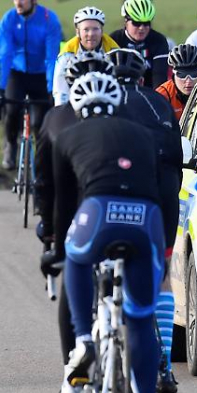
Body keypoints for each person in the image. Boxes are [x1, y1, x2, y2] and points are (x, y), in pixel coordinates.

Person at [56, 72, 169, 393]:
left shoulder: (67, 136)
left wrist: (54, 248)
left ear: (76, 109)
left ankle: (81, 342)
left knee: (75, 257)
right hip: (147, 220)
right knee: (140, 317)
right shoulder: (145, 135)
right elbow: (161, 189)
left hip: (99, 212)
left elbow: (62, 204)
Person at [107, 47, 182, 393]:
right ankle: (164, 363)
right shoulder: (159, 103)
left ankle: (93, 333)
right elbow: (176, 168)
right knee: (162, 276)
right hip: (159, 195)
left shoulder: (102, 101)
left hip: (109, 199)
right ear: (141, 78)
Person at [35, 52, 114, 370]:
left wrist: (49, 230)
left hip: (77, 216)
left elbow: (45, 181)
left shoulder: (55, 119)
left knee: (73, 284)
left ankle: (73, 363)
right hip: (122, 212)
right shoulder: (119, 115)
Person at [0, 0, 61, 169]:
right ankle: (11, 145)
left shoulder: (49, 20)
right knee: (11, 111)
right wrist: (1, 86)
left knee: (40, 124)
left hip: (40, 74)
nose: (18, 2)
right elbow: (5, 55)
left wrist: (51, 89)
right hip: (16, 73)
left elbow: (51, 59)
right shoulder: (9, 19)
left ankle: (42, 162)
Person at [53, 6, 120, 106]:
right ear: (77, 32)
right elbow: (61, 91)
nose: (91, 34)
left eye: (95, 29)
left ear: (102, 31)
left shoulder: (113, 50)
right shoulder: (67, 53)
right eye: (86, 29)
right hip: (76, 101)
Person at [110, 0, 170, 88]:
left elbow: (159, 78)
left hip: (149, 93)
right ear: (126, 21)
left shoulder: (159, 40)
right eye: (136, 23)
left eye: (146, 23)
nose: (142, 28)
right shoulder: (114, 39)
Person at [156, 44, 197, 121]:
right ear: (173, 74)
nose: (188, 81)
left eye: (194, 74)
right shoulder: (162, 95)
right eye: (182, 75)